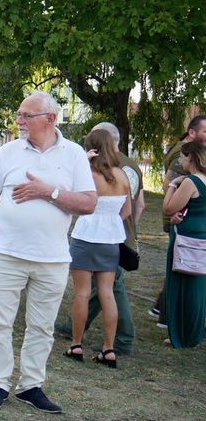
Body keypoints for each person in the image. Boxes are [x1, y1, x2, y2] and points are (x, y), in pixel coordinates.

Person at [0, 91, 96, 413]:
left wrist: (50, 192)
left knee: (42, 327)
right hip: (5, 252)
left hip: (52, 258)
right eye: (19, 114)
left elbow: (88, 203)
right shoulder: (7, 153)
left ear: (50, 119)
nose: (19, 121)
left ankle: (30, 386)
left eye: (26, 115)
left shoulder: (74, 154)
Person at [55, 122, 144, 356]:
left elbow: (68, 194)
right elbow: (127, 211)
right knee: (107, 293)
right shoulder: (122, 175)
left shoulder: (88, 174)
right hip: (111, 239)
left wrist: (83, 160)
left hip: (85, 237)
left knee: (82, 294)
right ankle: (109, 348)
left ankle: (76, 344)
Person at [152, 114, 206, 328]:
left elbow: (175, 191)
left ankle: (167, 312)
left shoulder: (194, 166)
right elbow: (169, 186)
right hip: (184, 224)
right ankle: (166, 313)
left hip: (190, 224)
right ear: (192, 132)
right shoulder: (181, 155)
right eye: (205, 131)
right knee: (185, 270)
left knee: (187, 272)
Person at [162, 141, 206, 349]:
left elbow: (169, 207)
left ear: (191, 158)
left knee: (180, 285)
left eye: (182, 157)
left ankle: (180, 333)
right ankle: (195, 331)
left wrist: (172, 185)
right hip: (202, 237)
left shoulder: (190, 182)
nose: (180, 161)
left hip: (186, 238)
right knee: (198, 287)